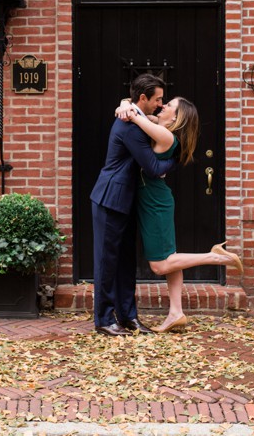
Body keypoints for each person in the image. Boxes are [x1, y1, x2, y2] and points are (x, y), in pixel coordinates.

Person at [118, 96, 244, 333]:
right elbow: (132, 108)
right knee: (171, 256)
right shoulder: (161, 129)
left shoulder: (165, 135)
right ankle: (176, 313)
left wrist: (128, 108)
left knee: (159, 265)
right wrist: (125, 102)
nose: (162, 106)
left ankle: (216, 257)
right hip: (157, 199)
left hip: (154, 202)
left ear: (176, 118)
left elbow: (134, 116)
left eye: (169, 106)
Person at [89, 73, 177, 337]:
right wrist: (178, 158)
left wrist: (124, 103)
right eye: (157, 99)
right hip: (110, 199)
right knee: (106, 263)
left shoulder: (134, 116)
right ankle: (104, 319)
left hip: (126, 201)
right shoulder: (129, 126)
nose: (160, 105)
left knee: (125, 262)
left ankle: (128, 317)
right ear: (142, 98)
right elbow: (151, 167)